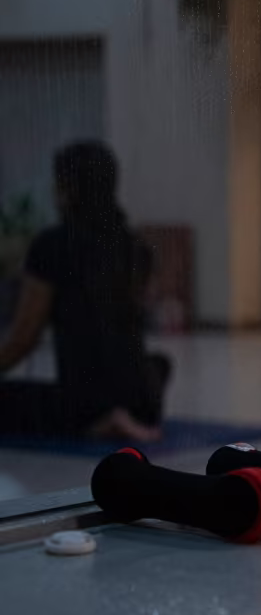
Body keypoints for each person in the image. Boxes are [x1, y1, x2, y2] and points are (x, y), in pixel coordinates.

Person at [0, 141, 168, 441]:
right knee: (159, 363)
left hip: (82, 403)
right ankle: (123, 414)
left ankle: (102, 419)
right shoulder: (135, 246)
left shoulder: (52, 246)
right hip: (145, 402)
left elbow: (24, 339)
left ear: (69, 188)